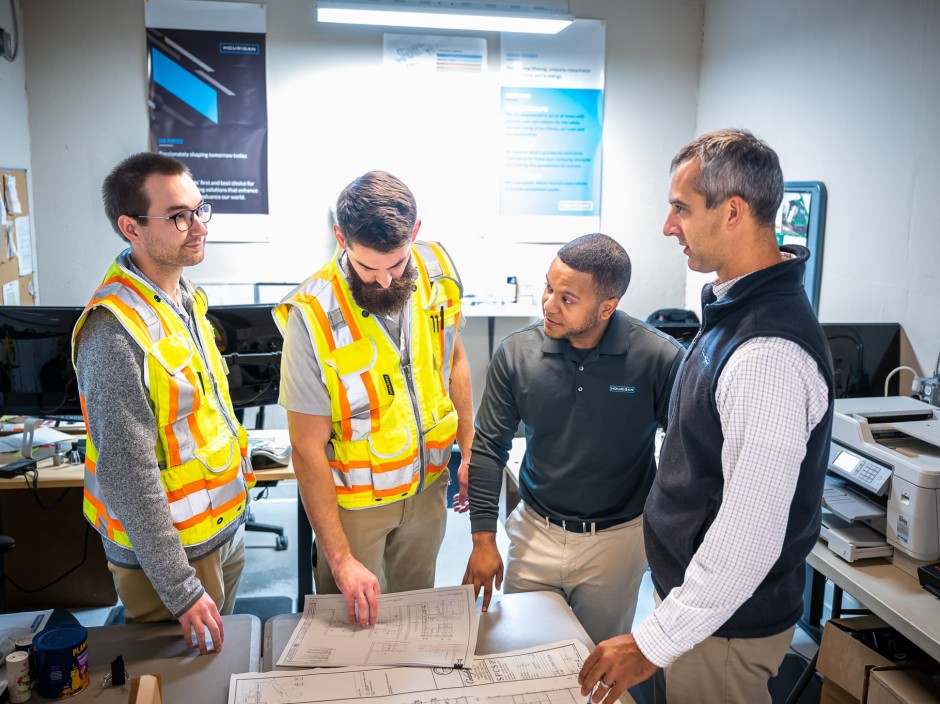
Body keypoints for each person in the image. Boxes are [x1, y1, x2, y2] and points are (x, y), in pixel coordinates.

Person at [579, 129, 835, 704]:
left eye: (681, 209)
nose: (669, 227)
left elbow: (749, 536)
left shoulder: (767, 352)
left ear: (734, 212)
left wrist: (653, 641)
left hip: (724, 631)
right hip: (700, 614)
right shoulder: (736, 307)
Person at [72, 152, 256, 654]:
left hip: (218, 532)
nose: (198, 227)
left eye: (200, 210)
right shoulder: (112, 330)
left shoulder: (184, 296)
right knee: (177, 684)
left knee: (215, 671)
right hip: (172, 561)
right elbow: (127, 472)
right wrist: (180, 587)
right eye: (178, 216)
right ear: (130, 227)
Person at [462, 233, 684, 646]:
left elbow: (688, 454)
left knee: (594, 663)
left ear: (607, 307)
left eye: (567, 298)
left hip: (616, 543)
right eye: (549, 286)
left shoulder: (659, 358)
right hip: (536, 532)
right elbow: (489, 448)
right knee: (522, 656)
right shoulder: (517, 354)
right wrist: (483, 539)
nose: (548, 304)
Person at [275, 170, 472, 628]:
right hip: (356, 507)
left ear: (416, 233)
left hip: (429, 489)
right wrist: (340, 559)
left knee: (413, 618)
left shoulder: (439, 272)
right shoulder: (312, 312)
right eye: (368, 268)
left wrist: (470, 443)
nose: (385, 281)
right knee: (352, 627)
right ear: (341, 237)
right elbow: (306, 448)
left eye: (397, 264)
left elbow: (454, 358)